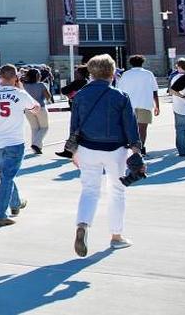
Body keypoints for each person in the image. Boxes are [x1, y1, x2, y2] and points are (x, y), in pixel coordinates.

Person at [69, 54, 142, 256]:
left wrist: (74, 151)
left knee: (89, 190)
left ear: (91, 73)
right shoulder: (120, 96)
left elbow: (74, 125)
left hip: (87, 148)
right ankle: (116, 236)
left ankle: (83, 224)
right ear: (112, 72)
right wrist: (136, 149)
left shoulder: (80, 96)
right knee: (116, 190)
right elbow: (131, 126)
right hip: (115, 149)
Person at [0, 64, 39, 227]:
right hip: (15, 142)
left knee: (5, 175)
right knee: (7, 178)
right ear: (16, 77)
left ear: (0, 77)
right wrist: (22, 88)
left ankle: (16, 203)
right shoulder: (21, 94)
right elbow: (36, 109)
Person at [115, 55, 159, 154]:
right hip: (145, 104)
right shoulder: (148, 74)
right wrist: (157, 106)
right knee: (143, 129)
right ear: (142, 62)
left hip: (129, 106)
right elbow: (155, 90)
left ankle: (132, 148)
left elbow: (119, 91)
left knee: (129, 128)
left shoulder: (126, 74)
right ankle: (141, 148)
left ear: (131, 63)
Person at [21, 68, 53, 155]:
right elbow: (48, 97)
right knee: (44, 128)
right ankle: (36, 144)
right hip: (40, 107)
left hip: (28, 109)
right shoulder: (41, 85)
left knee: (34, 128)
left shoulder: (24, 85)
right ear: (37, 76)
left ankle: (37, 148)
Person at [167, 59, 185, 156]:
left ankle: (182, 150)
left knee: (180, 129)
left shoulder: (175, 77)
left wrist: (183, 97)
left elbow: (171, 91)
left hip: (179, 107)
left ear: (179, 67)